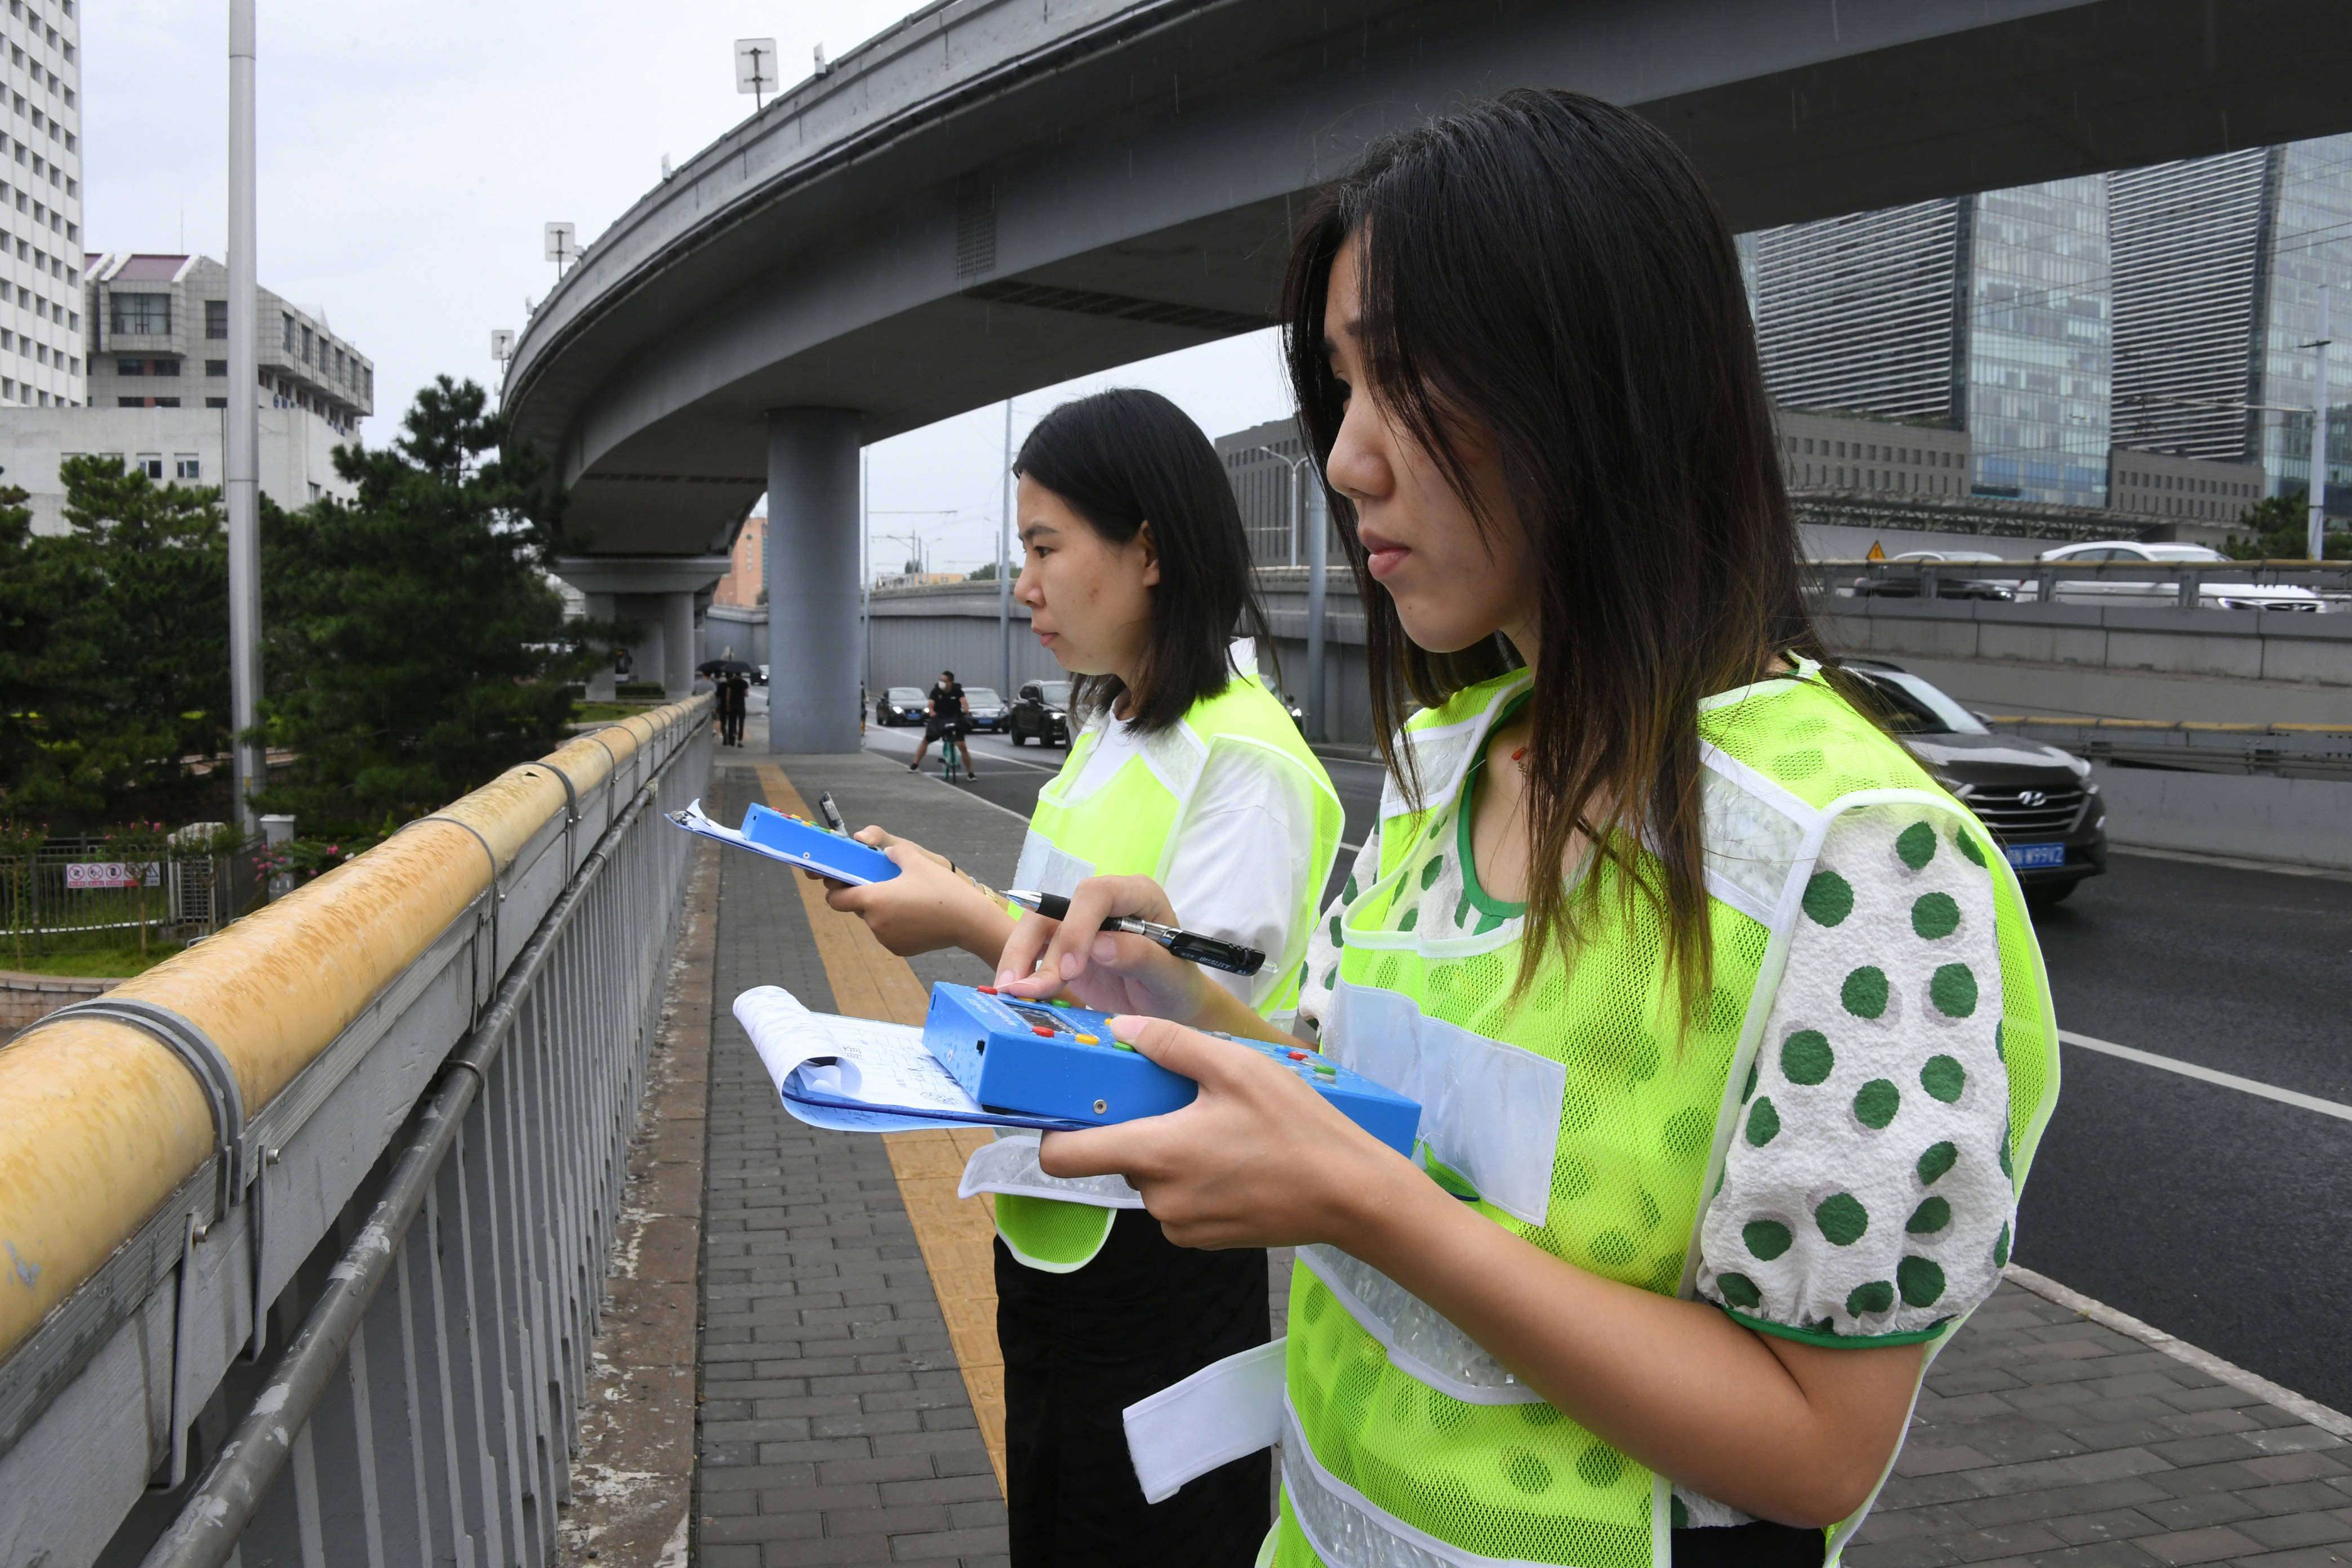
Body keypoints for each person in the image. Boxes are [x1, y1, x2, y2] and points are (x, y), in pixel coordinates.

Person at [994, 91, 2060, 1568]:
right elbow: (1376, 1103)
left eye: (1407, 383)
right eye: (1342, 395)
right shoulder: (1450, 762)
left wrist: (1376, 1218)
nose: (1350, 461)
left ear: (1600, 381)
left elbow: (1816, 1441)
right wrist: (1169, 1004)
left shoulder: (1867, 856)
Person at [821, 388, 1345, 1565]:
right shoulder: (1114, 730)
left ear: (1149, 549)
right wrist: (947, 884)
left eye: (1048, 548)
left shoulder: (1245, 761)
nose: (1026, 587)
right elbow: (1057, 943)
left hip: (1164, 1245)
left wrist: (956, 914)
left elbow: (1205, 1033)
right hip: (1052, 1221)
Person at [907, 668, 981, 778]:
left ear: (950, 682)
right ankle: (915, 765)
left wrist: (966, 709)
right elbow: (931, 704)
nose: (941, 683)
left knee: (962, 746)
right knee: (926, 740)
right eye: (940, 680)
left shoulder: (957, 690)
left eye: (944, 681)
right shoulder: (936, 691)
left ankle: (971, 773)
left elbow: (964, 702)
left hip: (955, 717)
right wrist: (932, 712)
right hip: (940, 718)